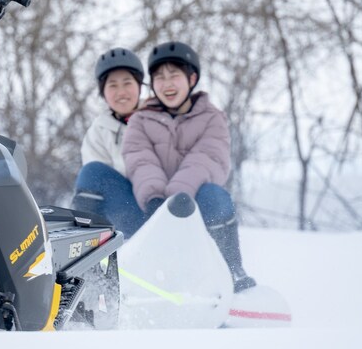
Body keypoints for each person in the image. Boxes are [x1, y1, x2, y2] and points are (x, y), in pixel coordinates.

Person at [121, 41, 257, 292]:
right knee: (102, 178)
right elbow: (139, 159)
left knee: (216, 195)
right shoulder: (140, 119)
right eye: (159, 77)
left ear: (192, 78)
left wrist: (176, 199)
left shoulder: (212, 118)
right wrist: (155, 200)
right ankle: (114, 276)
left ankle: (232, 272)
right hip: (150, 210)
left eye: (174, 75)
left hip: (196, 209)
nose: (167, 83)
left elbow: (207, 159)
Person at [72, 48, 149, 237]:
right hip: (127, 211)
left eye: (127, 83)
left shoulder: (158, 118)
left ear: (139, 86)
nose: (121, 92)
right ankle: (86, 249)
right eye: (112, 85)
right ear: (103, 93)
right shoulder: (98, 132)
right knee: (91, 173)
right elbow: (97, 185)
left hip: (162, 207)